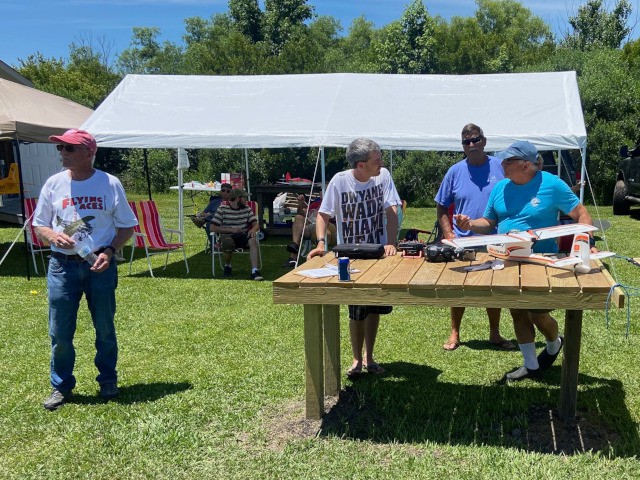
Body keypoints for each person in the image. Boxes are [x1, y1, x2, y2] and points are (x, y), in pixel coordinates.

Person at [455, 140, 597, 381]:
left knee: (537, 314)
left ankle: (554, 343)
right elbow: (488, 222)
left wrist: (588, 242)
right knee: (517, 312)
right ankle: (531, 366)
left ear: (525, 165)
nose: (501, 164)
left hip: (541, 261)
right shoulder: (500, 188)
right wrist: (470, 224)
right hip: (508, 259)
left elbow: (581, 214)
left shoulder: (551, 184)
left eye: (507, 161)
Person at [33, 129, 138, 410]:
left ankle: (108, 380)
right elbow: (39, 223)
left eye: (69, 148)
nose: (62, 153)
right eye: (60, 148)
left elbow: (127, 226)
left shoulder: (109, 183)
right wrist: (52, 236)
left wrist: (110, 251)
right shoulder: (53, 184)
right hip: (61, 266)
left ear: (89, 152)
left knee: (104, 327)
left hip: (99, 266)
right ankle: (61, 386)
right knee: (60, 332)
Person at [309, 138, 399, 378]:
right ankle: (357, 359)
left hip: (378, 254)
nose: (381, 163)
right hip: (351, 257)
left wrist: (391, 242)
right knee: (356, 310)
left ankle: (369, 357)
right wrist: (321, 242)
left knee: (374, 307)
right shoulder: (339, 181)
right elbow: (323, 214)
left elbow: (392, 210)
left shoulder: (383, 176)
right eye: (376, 160)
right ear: (361, 165)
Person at [434, 124, 515, 352]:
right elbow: (441, 207)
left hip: (495, 240)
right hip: (464, 241)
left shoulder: (501, 167)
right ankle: (454, 332)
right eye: (466, 142)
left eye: (475, 140)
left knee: (493, 287)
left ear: (484, 141)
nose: (471, 145)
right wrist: (449, 234)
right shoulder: (455, 171)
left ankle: (495, 333)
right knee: (458, 288)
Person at [210, 188, 263, 281]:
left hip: (242, 235)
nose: (246, 200)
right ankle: (228, 265)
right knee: (228, 243)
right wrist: (230, 230)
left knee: (252, 240)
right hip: (227, 235)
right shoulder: (222, 209)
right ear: (238, 198)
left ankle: (254, 271)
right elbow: (212, 228)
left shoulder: (247, 209)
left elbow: (256, 224)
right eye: (244, 197)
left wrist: (253, 229)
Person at [284, 194, 336, 268]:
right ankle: (294, 248)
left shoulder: (332, 202)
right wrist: (300, 203)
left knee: (326, 233)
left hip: (326, 225)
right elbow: (303, 214)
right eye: (320, 192)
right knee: (299, 217)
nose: (321, 193)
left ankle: (320, 258)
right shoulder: (315, 203)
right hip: (311, 225)